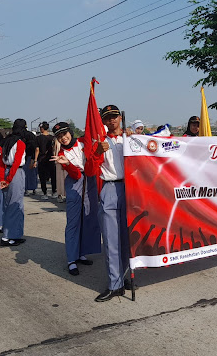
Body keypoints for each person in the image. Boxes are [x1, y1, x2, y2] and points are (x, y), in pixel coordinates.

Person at [86, 104, 131, 302]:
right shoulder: (99, 142)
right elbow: (88, 170)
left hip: (130, 189)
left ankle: (126, 277)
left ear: (120, 118)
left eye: (115, 116)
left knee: (128, 238)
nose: (112, 120)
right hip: (110, 188)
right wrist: (96, 152)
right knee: (112, 240)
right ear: (103, 121)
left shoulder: (130, 139)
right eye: (108, 118)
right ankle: (115, 284)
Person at [51, 122, 101, 276]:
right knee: (73, 221)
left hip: (90, 180)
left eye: (64, 134)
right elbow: (76, 175)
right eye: (59, 137)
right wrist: (68, 164)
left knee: (88, 218)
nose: (63, 138)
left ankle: (82, 252)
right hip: (75, 182)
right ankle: (71, 259)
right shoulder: (61, 155)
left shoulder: (82, 142)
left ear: (70, 132)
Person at [0, 119, 31, 246]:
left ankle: (10, 234)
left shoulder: (6, 142)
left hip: (7, 172)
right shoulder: (20, 143)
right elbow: (17, 162)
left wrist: (2, 179)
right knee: (16, 205)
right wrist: (9, 179)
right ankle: (10, 236)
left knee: (7, 204)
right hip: (15, 173)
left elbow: (1, 162)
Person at [34, 121, 57, 200]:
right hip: (51, 158)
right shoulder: (52, 138)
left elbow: (37, 149)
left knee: (42, 176)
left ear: (42, 128)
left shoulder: (38, 138)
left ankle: (45, 193)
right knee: (53, 176)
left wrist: (35, 160)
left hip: (41, 159)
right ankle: (54, 192)